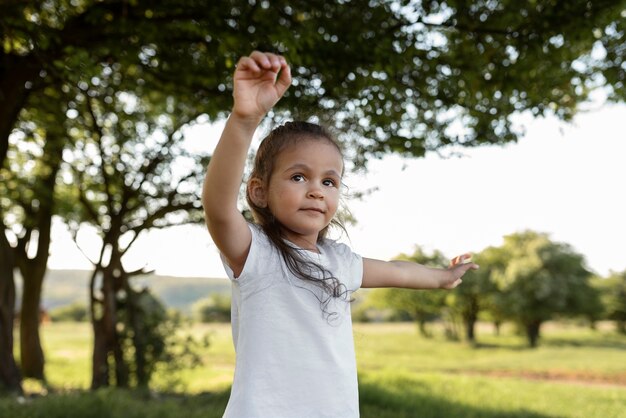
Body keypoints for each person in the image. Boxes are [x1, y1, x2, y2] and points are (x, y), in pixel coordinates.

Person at [202, 51, 479, 418]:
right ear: (258, 191)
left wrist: (443, 278)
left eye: (329, 181)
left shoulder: (339, 261)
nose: (316, 189)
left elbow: (398, 271)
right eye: (298, 177)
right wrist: (244, 119)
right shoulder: (256, 254)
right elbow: (218, 207)